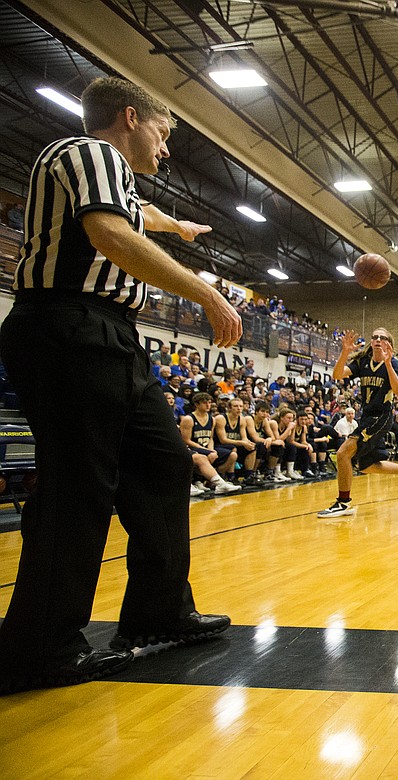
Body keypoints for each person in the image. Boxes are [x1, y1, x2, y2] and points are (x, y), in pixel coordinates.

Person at [0, 77, 241, 695]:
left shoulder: (115, 180)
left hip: (109, 336)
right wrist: (206, 290)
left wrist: (177, 227)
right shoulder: (88, 152)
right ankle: (39, 646)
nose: (165, 148)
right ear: (131, 117)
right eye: (163, 132)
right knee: (77, 488)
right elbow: (112, 233)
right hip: (66, 327)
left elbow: (141, 215)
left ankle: (160, 611)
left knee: (164, 466)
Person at [317, 328, 398, 518]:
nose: (378, 340)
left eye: (382, 337)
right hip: (367, 416)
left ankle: (343, 502)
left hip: (381, 416)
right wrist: (345, 352)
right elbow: (337, 375)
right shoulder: (363, 362)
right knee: (366, 465)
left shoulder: (394, 363)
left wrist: (387, 364)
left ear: (389, 344)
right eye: (375, 337)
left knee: (343, 453)